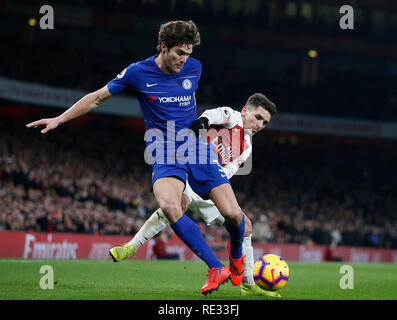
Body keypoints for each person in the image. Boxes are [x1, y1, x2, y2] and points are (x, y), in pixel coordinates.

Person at [26, 20, 245, 295]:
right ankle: (215, 268)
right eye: (179, 52)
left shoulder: (194, 68)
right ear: (163, 47)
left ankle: (235, 256)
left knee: (234, 215)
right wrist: (59, 119)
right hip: (164, 151)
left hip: (195, 147)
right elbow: (96, 98)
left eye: (188, 53)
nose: (184, 59)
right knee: (169, 205)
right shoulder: (137, 72)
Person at [109, 93, 280, 297]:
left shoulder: (247, 147)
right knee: (177, 204)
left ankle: (248, 283)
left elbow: (227, 172)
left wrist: (213, 190)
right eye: (258, 118)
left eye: (265, 123)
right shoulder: (230, 116)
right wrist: (198, 129)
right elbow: (209, 116)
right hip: (189, 168)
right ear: (245, 110)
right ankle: (131, 246)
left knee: (245, 226)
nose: (260, 125)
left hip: (211, 182)